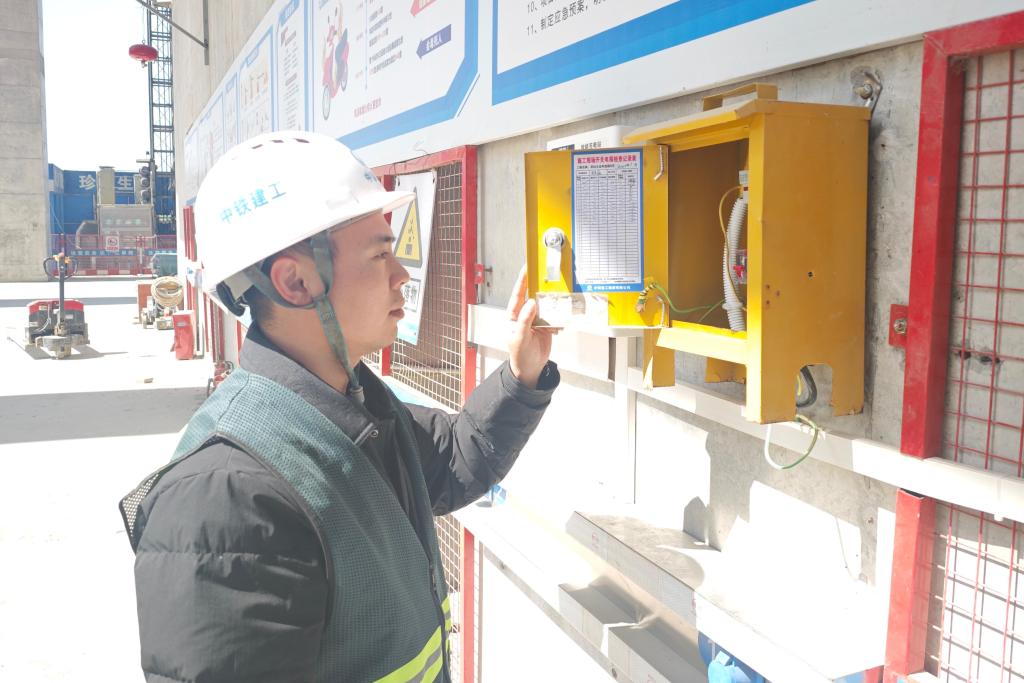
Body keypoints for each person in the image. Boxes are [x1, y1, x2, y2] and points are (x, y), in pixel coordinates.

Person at [119, 131, 559, 683]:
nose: (401, 275)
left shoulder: (355, 407)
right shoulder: (229, 500)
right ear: (296, 281)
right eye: (379, 254)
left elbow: (453, 459)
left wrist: (522, 374)